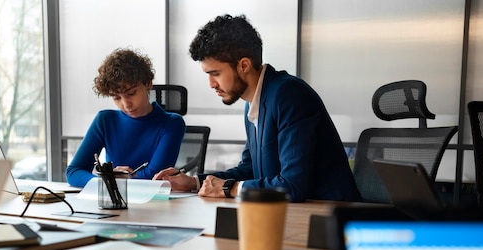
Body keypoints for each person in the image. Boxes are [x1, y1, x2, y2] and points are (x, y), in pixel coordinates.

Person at [153, 14, 361, 203]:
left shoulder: (289, 95)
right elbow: (251, 170)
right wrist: (194, 183)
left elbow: (293, 185)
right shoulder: (255, 102)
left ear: (244, 65)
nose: (211, 84)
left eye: (215, 73)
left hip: (330, 217)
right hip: (294, 213)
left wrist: (229, 188)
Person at [66, 48, 185, 187]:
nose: (126, 104)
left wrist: (114, 180)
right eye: (116, 97)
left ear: (148, 83)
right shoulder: (105, 120)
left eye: (131, 93)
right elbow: (73, 172)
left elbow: (155, 177)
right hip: (114, 202)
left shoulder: (172, 123)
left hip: (153, 202)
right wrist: (105, 182)